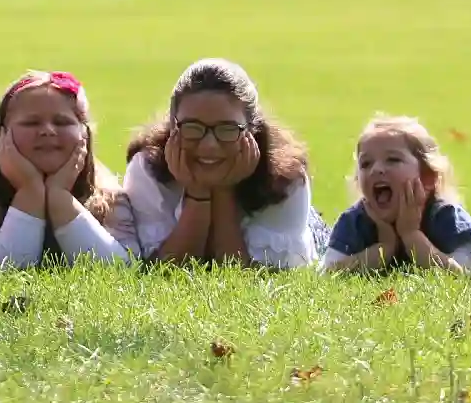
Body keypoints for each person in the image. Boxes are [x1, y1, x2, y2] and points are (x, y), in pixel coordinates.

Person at [108, 59, 320, 269]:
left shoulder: (285, 178)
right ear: (173, 126)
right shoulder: (146, 168)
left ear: (251, 129)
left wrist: (223, 192)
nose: (209, 145)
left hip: (309, 225)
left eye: (227, 128)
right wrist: (197, 193)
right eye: (192, 127)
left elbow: (241, 274)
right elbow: (166, 269)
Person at [0, 70, 131, 268]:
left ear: (84, 135)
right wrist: (29, 191)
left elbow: (119, 271)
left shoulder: (106, 191)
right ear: (1, 135)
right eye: (31, 123)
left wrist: (60, 197)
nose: (48, 130)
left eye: (62, 122)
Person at [319, 114, 471, 274]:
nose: (377, 169)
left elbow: (463, 275)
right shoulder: (355, 220)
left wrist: (411, 235)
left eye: (393, 160)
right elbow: (326, 273)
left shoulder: (447, 216)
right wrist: (384, 248)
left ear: (427, 178)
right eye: (366, 163)